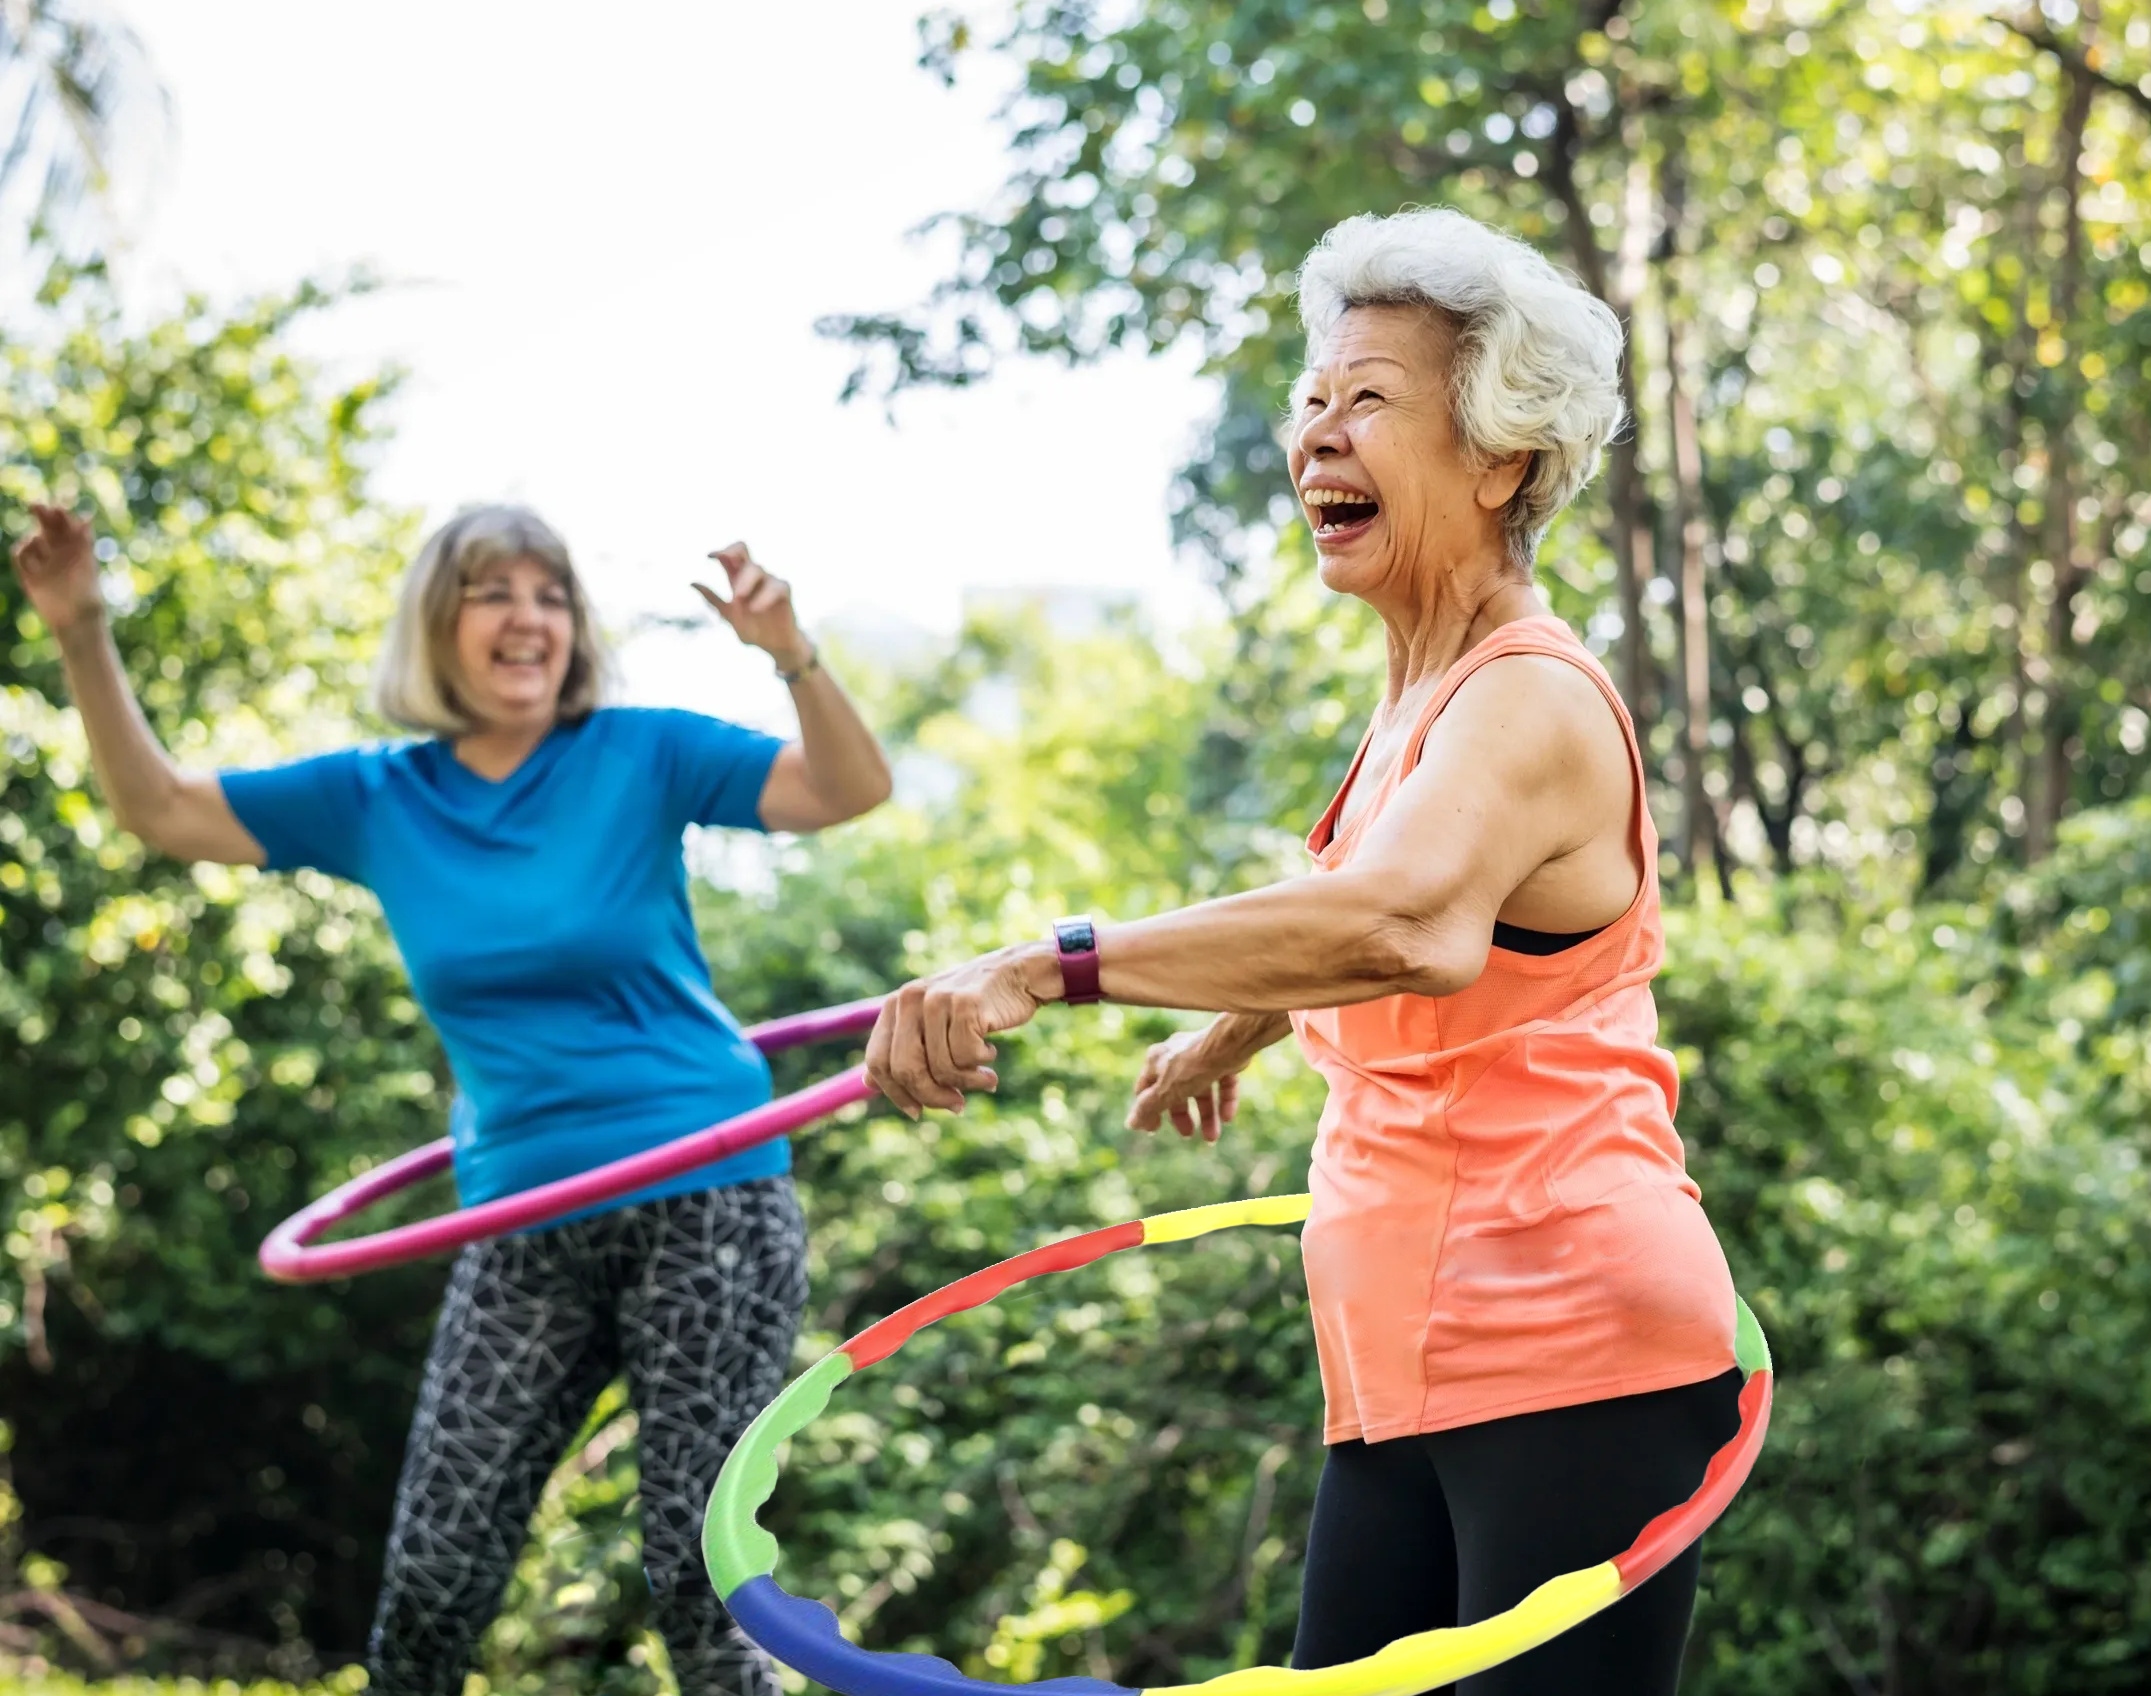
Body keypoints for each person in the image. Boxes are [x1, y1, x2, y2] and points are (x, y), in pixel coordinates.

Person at [860, 206, 1742, 1696]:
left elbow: (1403, 920)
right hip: (1403, 1355)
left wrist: (1043, 963)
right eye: (1313, 401)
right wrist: (1233, 1029)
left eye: (1371, 403)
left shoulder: (1526, 698)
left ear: (1502, 456)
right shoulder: (1422, 701)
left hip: (1567, 1339)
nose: (1318, 438)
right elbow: (1357, 893)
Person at [9, 502, 892, 1696]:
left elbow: (846, 789)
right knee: (433, 1578)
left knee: (703, 1578)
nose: (527, 618)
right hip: (518, 1217)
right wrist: (80, 630)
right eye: (494, 592)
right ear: (440, 621)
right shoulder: (379, 797)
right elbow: (161, 809)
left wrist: (790, 654)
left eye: (549, 595)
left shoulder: (641, 751)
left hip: (708, 1195)